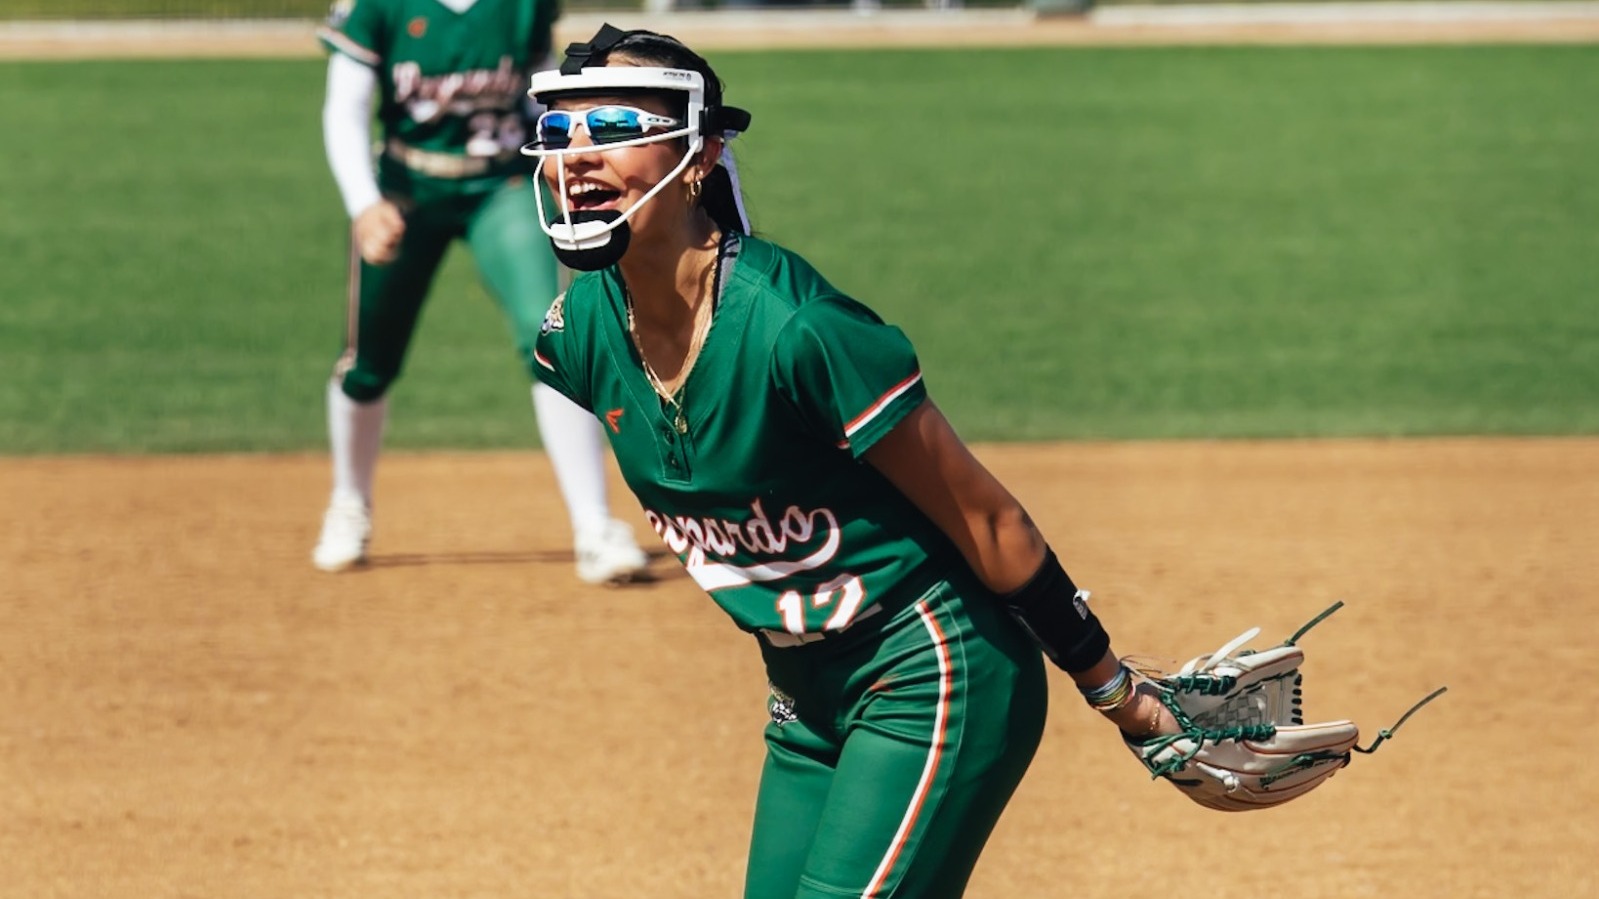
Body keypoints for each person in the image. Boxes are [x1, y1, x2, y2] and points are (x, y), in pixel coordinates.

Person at [522, 24, 1182, 898]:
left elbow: (986, 517)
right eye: (563, 132)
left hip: (932, 673)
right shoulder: (580, 335)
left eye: (613, 131)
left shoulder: (797, 329)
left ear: (697, 157)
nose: (578, 156)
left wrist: (1116, 691)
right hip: (803, 700)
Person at [311, 0, 649, 584]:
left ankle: (594, 525)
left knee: (549, 340)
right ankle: (349, 502)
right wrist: (364, 204)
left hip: (500, 185)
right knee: (371, 360)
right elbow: (345, 108)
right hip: (405, 190)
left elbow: (545, 92)